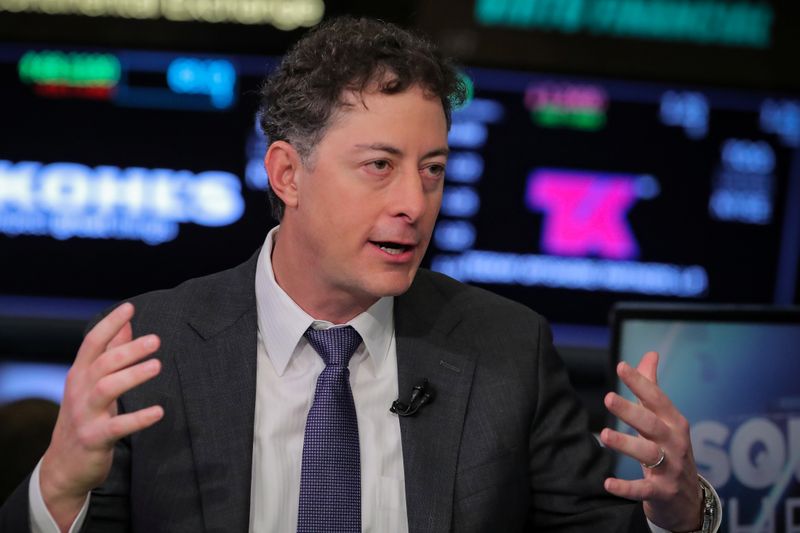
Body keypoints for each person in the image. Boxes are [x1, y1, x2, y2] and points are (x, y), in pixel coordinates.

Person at [0, 17, 720, 533]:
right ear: (287, 172)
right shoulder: (154, 346)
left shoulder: (507, 350)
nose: (414, 204)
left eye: (432, 171)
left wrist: (680, 514)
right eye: (380, 166)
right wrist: (57, 487)